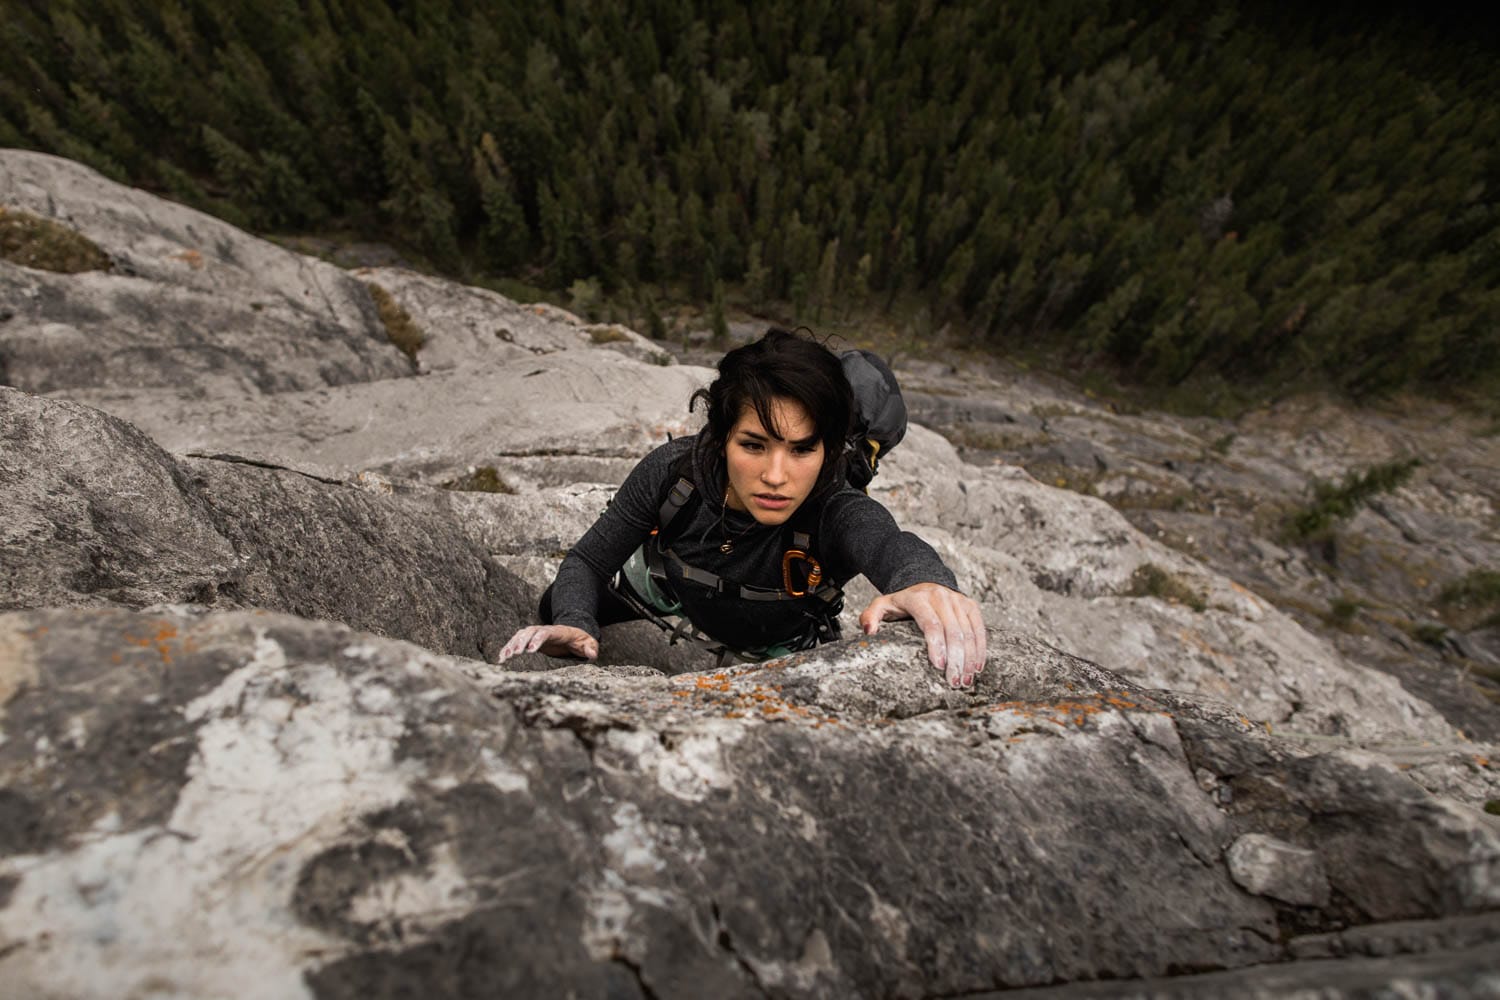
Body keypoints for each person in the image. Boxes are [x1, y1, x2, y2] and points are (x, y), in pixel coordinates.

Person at [496, 328, 987, 687]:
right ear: (722, 436)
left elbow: (888, 543)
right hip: (669, 592)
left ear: (830, 450)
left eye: (801, 449)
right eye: (754, 445)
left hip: (776, 638)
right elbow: (586, 562)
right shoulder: (676, 473)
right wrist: (577, 622)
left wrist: (926, 583)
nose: (776, 476)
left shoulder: (835, 505)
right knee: (553, 611)